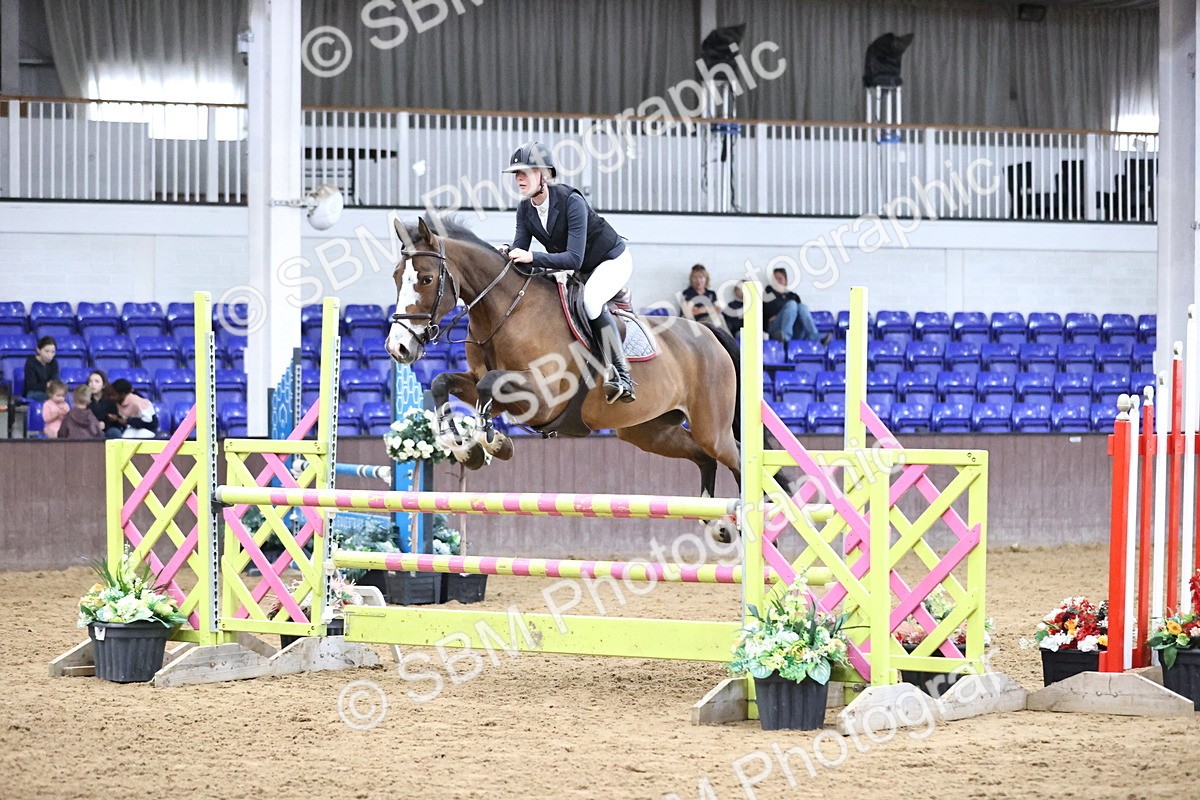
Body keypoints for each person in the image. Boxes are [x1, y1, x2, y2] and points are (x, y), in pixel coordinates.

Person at [504, 141, 636, 404]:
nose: (519, 178)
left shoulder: (571, 201)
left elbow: (573, 259)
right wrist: (504, 254)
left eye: (526, 172)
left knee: (591, 301)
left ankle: (622, 375)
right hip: (580, 268)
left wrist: (532, 257)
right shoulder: (525, 209)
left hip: (610, 260)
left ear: (544, 174)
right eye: (516, 173)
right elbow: (521, 252)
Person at [763, 267, 828, 344]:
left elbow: (799, 313)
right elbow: (766, 310)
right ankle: (785, 338)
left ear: (786, 281)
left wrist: (785, 310)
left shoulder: (793, 296)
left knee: (802, 307)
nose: (777, 281)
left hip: (794, 329)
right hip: (776, 330)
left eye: (780, 278)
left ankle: (815, 338)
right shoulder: (768, 292)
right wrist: (786, 310)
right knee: (792, 304)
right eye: (775, 279)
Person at [679, 264, 724, 330]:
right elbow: (689, 312)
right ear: (691, 279)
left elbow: (717, 310)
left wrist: (699, 309)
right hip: (693, 323)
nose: (698, 281)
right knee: (715, 318)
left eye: (701, 277)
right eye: (695, 278)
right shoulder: (687, 293)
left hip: (709, 324)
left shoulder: (711, 294)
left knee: (719, 317)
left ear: (706, 278)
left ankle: (726, 339)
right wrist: (708, 308)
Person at [85, 369, 124, 439]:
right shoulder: (84, 400)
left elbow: (115, 421)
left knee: (115, 432)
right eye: (90, 381)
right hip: (89, 430)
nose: (93, 384)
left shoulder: (111, 401)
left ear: (103, 385)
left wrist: (105, 424)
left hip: (107, 430)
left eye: (97, 381)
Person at [23, 336, 59, 400]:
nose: (50, 355)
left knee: (61, 396)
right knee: (53, 398)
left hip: (49, 392)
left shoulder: (54, 363)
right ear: (38, 350)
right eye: (47, 351)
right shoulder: (30, 362)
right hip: (32, 392)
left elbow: (54, 380)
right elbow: (31, 385)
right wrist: (47, 385)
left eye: (53, 352)